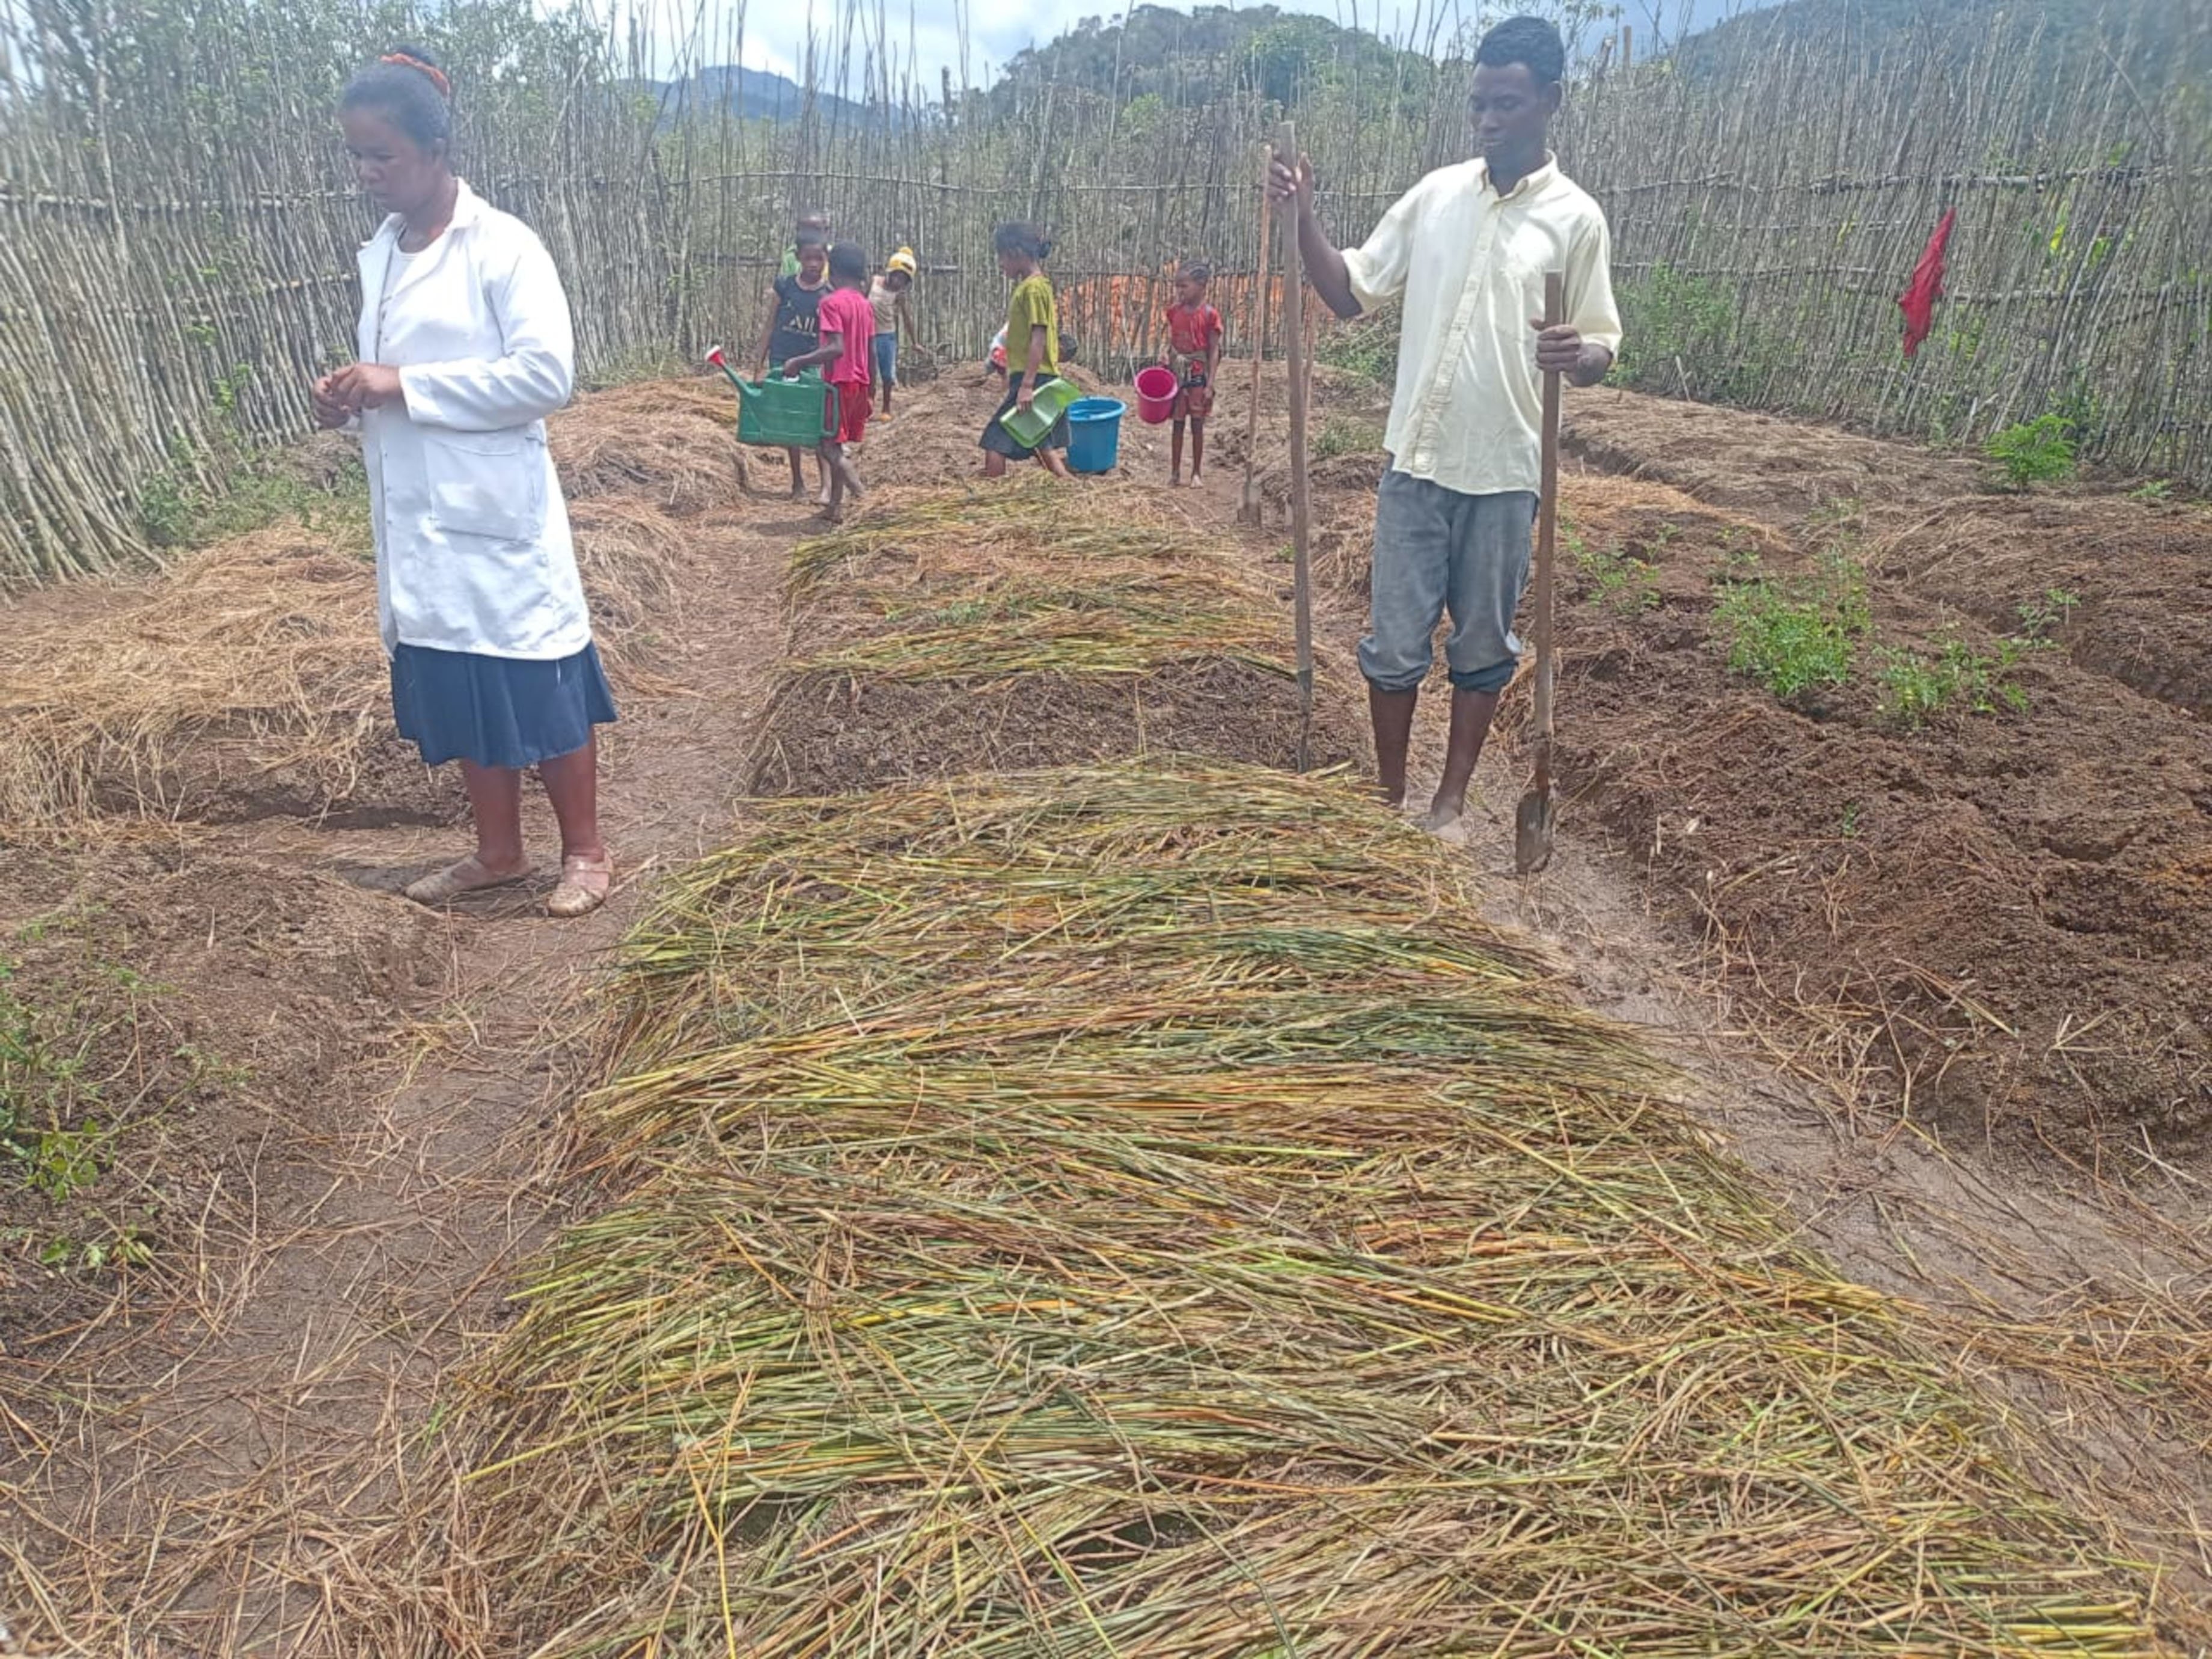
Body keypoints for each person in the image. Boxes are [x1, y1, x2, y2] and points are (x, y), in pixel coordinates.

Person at [1268, 14, 1621, 836]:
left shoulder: (1575, 220)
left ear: (1550, 103)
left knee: (1485, 646)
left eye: (1507, 103)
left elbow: (1602, 344)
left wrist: (1581, 354)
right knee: (1393, 644)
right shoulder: (1436, 196)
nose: (1490, 120)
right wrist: (1304, 219)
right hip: (1417, 466)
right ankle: (1389, 796)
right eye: (1480, 105)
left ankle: (1450, 802)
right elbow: (1351, 291)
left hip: (1504, 470)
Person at [313, 46, 615, 917]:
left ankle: (587, 853)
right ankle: (498, 851)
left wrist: (402, 385)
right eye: (356, 157)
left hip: (493, 513)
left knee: (536, 679)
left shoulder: (504, 246)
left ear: (436, 148)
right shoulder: (383, 253)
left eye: (384, 156)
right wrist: (352, 399)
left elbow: (546, 377)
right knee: (456, 676)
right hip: (416, 514)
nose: (367, 173)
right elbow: (392, 375)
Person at [776, 242, 873, 522]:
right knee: (839, 443)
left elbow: (836, 348)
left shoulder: (830, 303)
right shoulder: (865, 305)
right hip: (860, 383)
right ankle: (835, 506)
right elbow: (871, 351)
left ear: (834, 270)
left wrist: (799, 361)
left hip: (838, 383)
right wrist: (873, 392)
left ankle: (865, 498)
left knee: (827, 447)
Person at [980, 223, 1071, 480]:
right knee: (1038, 437)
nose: (1000, 263)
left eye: (1001, 256)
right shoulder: (1034, 288)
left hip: (1036, 378)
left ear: (1016, 252)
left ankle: (992, 495)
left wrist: (1028, 384)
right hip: (1033, 375)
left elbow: (1038, 337)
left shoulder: (1033, 289)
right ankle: (1067, 485)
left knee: (995, 440)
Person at [754, 232, 830, 500]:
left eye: (818, 258)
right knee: (790, 424)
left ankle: (825, 486)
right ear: (798, 258)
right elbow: (770, 325)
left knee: (817, 423)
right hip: (782, 360)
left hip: (812, 362)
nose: (813, 264)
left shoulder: (828, 294)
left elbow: (831, 339)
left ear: (826, 260)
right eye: (807, 258)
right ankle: (797, 483)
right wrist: (759, 365)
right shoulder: (785, 286)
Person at [1163, 261, 1224, 486]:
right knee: (1177, 423)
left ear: (1202, 286)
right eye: (1177, 286)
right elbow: (1172, 340)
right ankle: (1175, 472)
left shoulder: (1210, 316)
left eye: (1184, 286)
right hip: (1178, 373)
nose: (1180, 291)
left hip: (1198, 374)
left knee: (1197, 424)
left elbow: (1214, 350)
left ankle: (1196, 472)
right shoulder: (1174, 312)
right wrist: (1166, 356)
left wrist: (1210, 383)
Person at [868, 247, 918, 420]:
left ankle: (886, 407)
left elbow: (907, 318)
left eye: (903, 279)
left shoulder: (899, 295)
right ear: (890, 271)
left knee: (888, 375)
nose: (898, 281)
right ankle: (869, 404)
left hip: (887, 336)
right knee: (869, 373)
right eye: (897, 275)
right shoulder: (873, 282)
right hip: (869, 335)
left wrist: (915, 342)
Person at [778, 208, 833, 279]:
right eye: (806, 230)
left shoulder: (834, 254)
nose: (811, 234)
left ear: (826, 230)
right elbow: (786, 280)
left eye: (816, 229)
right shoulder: (790, 255)